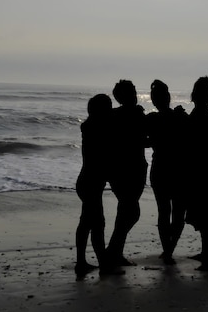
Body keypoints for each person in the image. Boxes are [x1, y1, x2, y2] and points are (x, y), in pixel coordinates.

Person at [105, 80, 148, 267]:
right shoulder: (136, 114)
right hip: (131, 168)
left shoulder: (113, 115)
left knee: (125, 210)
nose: (135, 94)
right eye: (132, 91)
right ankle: (113, 251)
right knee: (131, 211)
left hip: (118, 169)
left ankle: (115, 251)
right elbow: (142, 140)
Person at [146, 79, 189, 264]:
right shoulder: (181, 117)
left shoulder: (151, 119)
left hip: (160, 168)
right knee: (178, 213)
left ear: (154, 100)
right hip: (179, 169)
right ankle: (169, 249)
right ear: (169, 97)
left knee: (164, 212)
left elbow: (143, 141)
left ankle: (167, 250)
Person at [75, 93, 113, 278]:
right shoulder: (97, 130)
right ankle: (103, 264)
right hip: (90, 182)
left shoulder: (90, 127)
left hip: (86, 181)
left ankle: (82, 261)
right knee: (97, 224)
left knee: (87, 222)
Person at [186, 76, 208, 271]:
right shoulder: (204, 113)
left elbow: (196, 143)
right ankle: (207, 254)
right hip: (206, 168)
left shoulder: (202, 114)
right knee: (207, 212)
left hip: (203, 169)